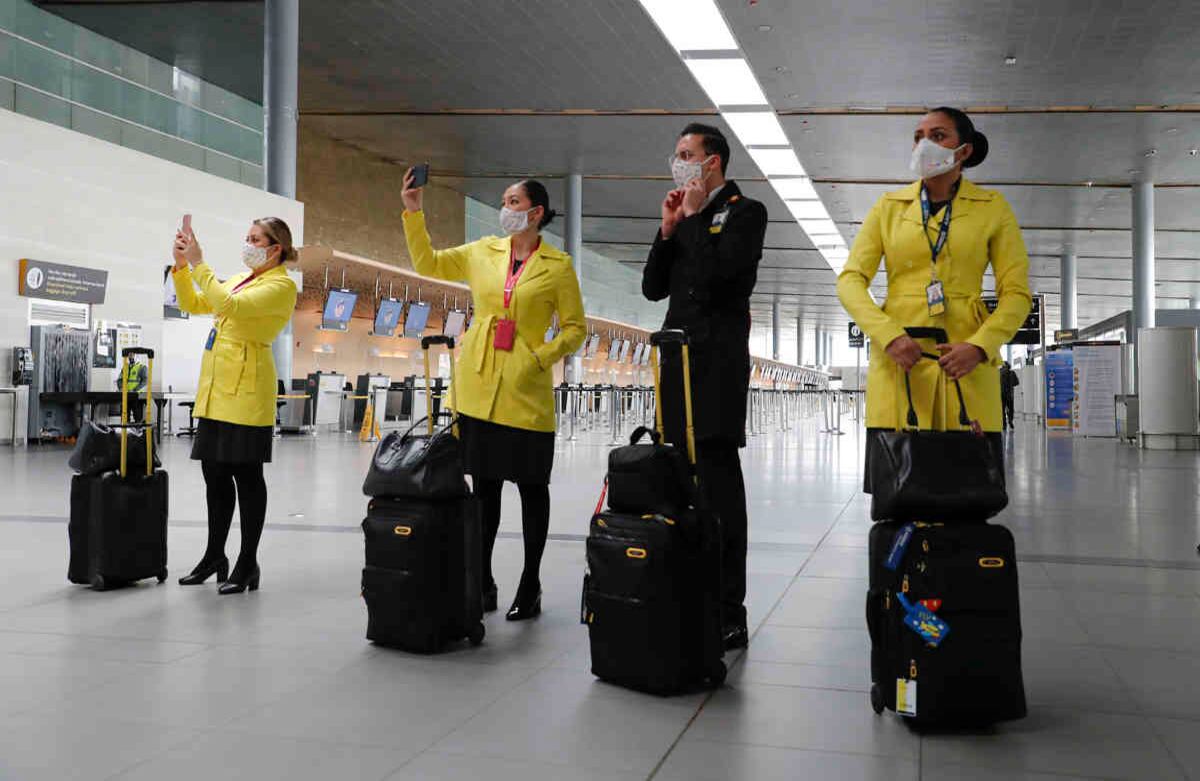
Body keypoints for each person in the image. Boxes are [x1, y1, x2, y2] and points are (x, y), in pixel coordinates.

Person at [401, 174, 586, 620]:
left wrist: (539, 358)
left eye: (514, 201)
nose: (505, 208)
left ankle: (530, 582)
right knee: (484, 490)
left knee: (532, 489)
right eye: (504, 200)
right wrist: (413, 212)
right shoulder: (482, 251)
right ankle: (481, 580)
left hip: (525, 392)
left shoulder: (558, 266)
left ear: (536, 212)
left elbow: (576, 329)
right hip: (478, 386)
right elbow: (428, 263)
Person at [837, 107, 1032, 477]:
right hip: (899, 366)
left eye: (938, 135)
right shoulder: (888, 208)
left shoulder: (992, 209)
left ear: (964, 151)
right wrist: (887, 335)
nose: (924, 144)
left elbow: (1017, 293)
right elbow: (849, 281)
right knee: (898, 494)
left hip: (966, 367)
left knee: (967, 495)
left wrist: (981, 346)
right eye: (918, 137)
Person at [642, 123, 768, 651]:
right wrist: (668, 229)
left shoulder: (746, 212)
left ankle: (729, 608)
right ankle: (684, 594)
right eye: (676, 153)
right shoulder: (685, 218)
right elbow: (653, 288)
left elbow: (720, 279)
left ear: (712, 162)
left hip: (715, 369)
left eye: (686, 153)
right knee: (675, 480)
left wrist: (694, 219)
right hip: (676, 364)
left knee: (718, 489)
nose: (678, 162)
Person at [170, 217, 299, 594]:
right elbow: (194, 302)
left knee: (247, 476)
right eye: (247, 237)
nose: (248, 244)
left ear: (275, 248)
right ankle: (214, 556)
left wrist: (199, 263)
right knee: (214, 475)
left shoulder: (280, 286)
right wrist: (182, 266)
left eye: (255, 239)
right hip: (216, 390)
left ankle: (247, 562)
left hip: (246, 391)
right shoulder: (243, 279)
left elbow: (228, 305)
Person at [115, 353, 148, 423]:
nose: (130, 357)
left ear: (137, 356)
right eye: (129, 356)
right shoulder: (125, 367)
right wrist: (121, 388)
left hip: (136, 396)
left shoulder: (142, 367)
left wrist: (135, 390)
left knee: (138, 418)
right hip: (126, 396)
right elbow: (120, 380)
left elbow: (145, 381)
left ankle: (137, 429)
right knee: (124, 418)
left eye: (132, 355)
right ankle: (125, 429)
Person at [1000, 361, 1020, 430]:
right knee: (1011, 409)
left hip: (1001, 394)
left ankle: (1004, 424)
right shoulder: (1012, 373)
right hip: (1010, 394)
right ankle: (1010, 420)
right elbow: (1017, 383)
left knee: (1002, 410)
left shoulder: (999, 373)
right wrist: (1011, 384)